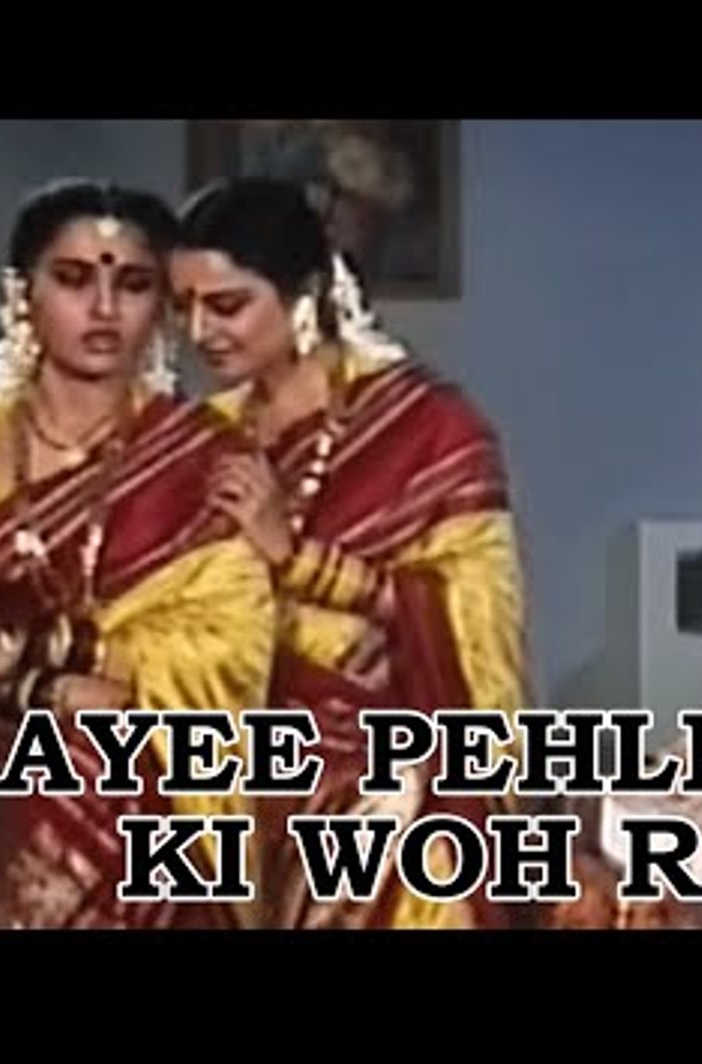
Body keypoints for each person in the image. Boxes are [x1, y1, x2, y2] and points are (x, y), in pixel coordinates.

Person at [0, 179, 277, 930]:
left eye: (134, 284)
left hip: (157, 773)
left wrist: (41, 663)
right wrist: (25, 691)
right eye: (75, 279)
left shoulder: (210, 457)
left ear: (164, 308)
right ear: (22, 295)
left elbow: (235, 644)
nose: (105, 308)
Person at [169, 177, 529, 930]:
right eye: (185, 307)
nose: (201, 331)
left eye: (228, 305)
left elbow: (470, 624)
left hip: (386, 761)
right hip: (229, 760)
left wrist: (294, 558)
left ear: (305, 296)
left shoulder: (428, 427)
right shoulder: (200, 437)